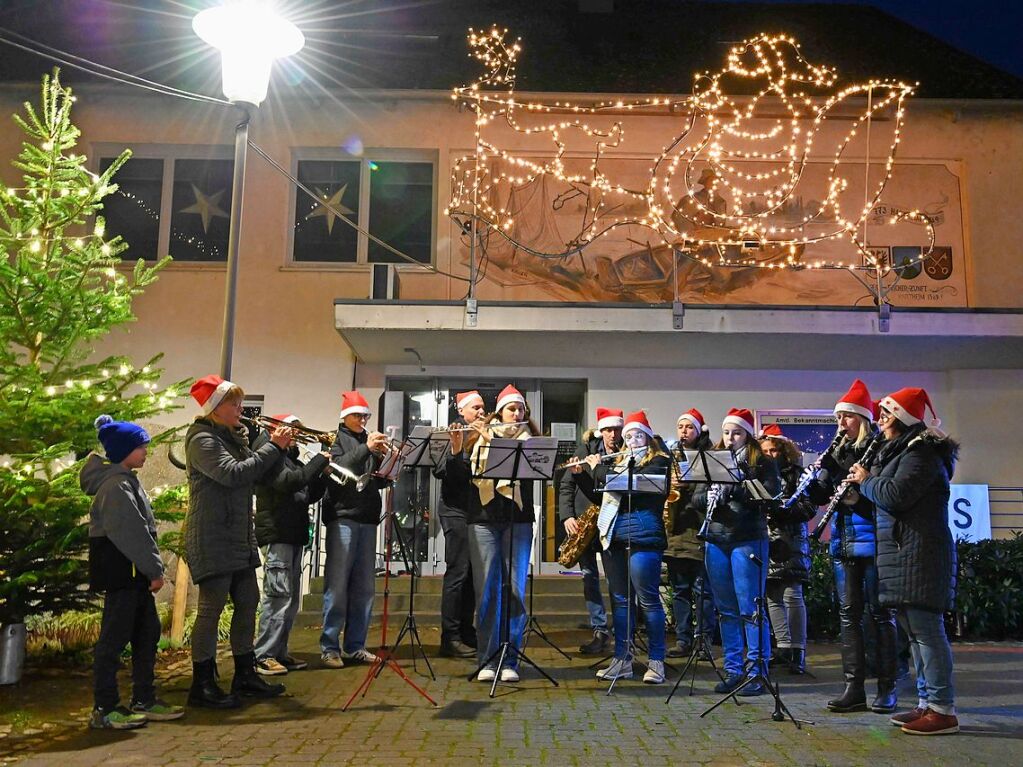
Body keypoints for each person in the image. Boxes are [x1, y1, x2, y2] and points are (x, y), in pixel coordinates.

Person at [847, 387, 960, 736]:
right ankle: (927, 703)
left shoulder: (921, 454)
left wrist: (866, 481)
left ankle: (942, 709)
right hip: (905, 554)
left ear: (902, 418)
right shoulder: (900, 452)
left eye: (885, 413)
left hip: (920, 554)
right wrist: (857, 496)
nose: (879, 419)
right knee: (914, 633)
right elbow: (885, 501)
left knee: (927, 632)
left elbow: (895, 495)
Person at [185, 375, 290, 708]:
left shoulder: (233, 438)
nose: (240, 409)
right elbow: (233, 474)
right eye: (233, 404)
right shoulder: (202, 440)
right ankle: (201, 683)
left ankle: (244, 673)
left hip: (238, 535)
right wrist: (274, 447)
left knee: (248, 601)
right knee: (211, 609)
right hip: (213, 535)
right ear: (216, 408)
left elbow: (251, 471)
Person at [83, 415, 184, 730]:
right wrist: (154, 570)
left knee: (146, 634)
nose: (145, 452)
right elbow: (133, 533)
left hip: (133, 576)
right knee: (113, 640)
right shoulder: (115, 486)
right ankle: (105, 706)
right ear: (124, 450)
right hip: (123, 575)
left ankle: (144, 698)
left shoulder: (125, 480)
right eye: (140, 447)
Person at [806, 379, 898, 714]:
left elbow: (887, 499)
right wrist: (817, 480)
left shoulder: (879, 450)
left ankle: (887, 686)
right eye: (839, 418)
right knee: (848, 617)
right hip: (843, 544)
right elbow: (821, 500)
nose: (841, 424)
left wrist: (858, 499)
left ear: (862, 418)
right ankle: (853, 686)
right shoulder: (838, 453)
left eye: (847, 417)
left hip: (873, 543)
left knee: (879, 614)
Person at [702, 408, 781, 696]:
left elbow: (769, 496)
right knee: (726, 609)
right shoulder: (713, 460)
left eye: (736, 432)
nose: (730, 438)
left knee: (751, 607)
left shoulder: (761, 462)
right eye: (726, 432)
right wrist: (709, 494)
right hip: (717, 538)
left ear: (747, 433)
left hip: (747, 538)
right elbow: (697, 495)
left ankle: (756, 671)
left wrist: (734, 489)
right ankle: (733, 669)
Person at [466, 384, 539, 683]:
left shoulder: (531, 443)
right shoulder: (480, 437)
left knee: (514, 590)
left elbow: (532, 479)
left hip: (518, 521)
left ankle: (511, 659)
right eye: (512, 409)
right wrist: (473, 442)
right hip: (482, 519)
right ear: (500, 412)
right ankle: (487, 659)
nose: (517, 413)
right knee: (487, 591)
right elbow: (460, 476)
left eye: (521, 409)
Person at [592, 411, 671, 685]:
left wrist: (599, 469)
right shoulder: (619, 461)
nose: (633, 440)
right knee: (621, 600)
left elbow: (632, 487)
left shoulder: (659, 460)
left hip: (644, 537)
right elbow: (602, 490)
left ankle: (657, 661)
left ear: (648, 437)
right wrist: (586, 473)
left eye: (638, 435)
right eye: (629, 436)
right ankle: (622, 659)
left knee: (648, 600)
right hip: (615, 536)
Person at [253, 414, 330, 676]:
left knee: (290, 599)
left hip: (293, 533)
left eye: (299, 429)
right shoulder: (270, 457)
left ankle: (279, 652)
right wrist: (319, 461)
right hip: (277, 533)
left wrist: (322, 475)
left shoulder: (291, 459)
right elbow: (288, 483)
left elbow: (307, 494)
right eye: (293, 429)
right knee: (277, 597)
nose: (297, 434)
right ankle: (264, 655)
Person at [320, 390, 389, 668]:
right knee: (337, 585)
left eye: (366, 416)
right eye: (358, 415)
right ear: (344, 417)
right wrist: (367, 449)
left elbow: (375, 481)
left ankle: (356, 645)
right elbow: (338, 469)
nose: (363, 420)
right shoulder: (334, 439)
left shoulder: (367, 442)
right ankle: (329, 646)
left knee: (364, 587)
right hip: (343, 517)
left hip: (367, 518)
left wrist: (388, 463)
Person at [557, 407, 624, 655]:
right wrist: (567, 516)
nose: (612, 435)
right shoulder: (584, 451)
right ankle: (599, 630)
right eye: (608, 430)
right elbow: (567, 486)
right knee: (588, 576)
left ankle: (622, 630)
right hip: (585, 522)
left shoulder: (624, 453)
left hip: (613, 520)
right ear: (600, 431)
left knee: (616, 577)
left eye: (616, 429)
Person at [433, 390, 486, 659]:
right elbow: (446, 475)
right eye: (475, 408)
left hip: (477, 512)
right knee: (457, 573)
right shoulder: (450, 435)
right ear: (462, 411)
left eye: (482, 407)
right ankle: (449, 637)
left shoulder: (484, 435)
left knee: (471, 576)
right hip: (455, 512)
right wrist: (456, 449)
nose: (480, 412)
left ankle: (467, 631)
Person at [759, 424, 815, 675]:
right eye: (765, 451)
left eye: (773, 450)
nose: (770, 455)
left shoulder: (796, 474)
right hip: (767, 539)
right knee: (772, 595)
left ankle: (798, 651)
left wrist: (783, 510)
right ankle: (782, 647)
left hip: (791, 540)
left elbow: (809, 508)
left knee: (792, 595)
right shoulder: (759, 475)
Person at [664, 408, 716, 659]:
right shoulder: (671, 456)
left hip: (699, 532)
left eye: (689, 428)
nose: (684, 432)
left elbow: (710, 497)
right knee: (679, 589)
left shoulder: (708, 459)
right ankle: (683, 639)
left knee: (702, 590)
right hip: (675, 531)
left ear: (699, 431)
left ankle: (704, 640)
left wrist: (690, 487)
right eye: (681, 427)